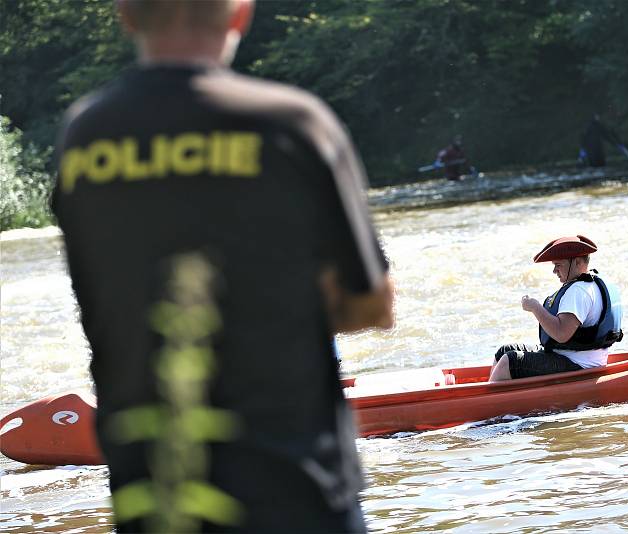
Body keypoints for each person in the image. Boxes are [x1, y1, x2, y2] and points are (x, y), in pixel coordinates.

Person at [51, 1, 394, 532]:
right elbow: (370, 304)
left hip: (154, 491)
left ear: (125, 15)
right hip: (294, 486)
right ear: (240, 15)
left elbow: (102, 295)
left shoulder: (84, 133)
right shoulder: (293, 122)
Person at [489, 235, 623, 382]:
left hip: (579, 365)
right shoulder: (590, 284)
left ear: (577, 262)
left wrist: (535, 307)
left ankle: (487, 402)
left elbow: (561, 334)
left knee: (510, 361)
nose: (554, 271)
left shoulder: (578, 291)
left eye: (558, 265)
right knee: (504, 351)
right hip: (576, 358)